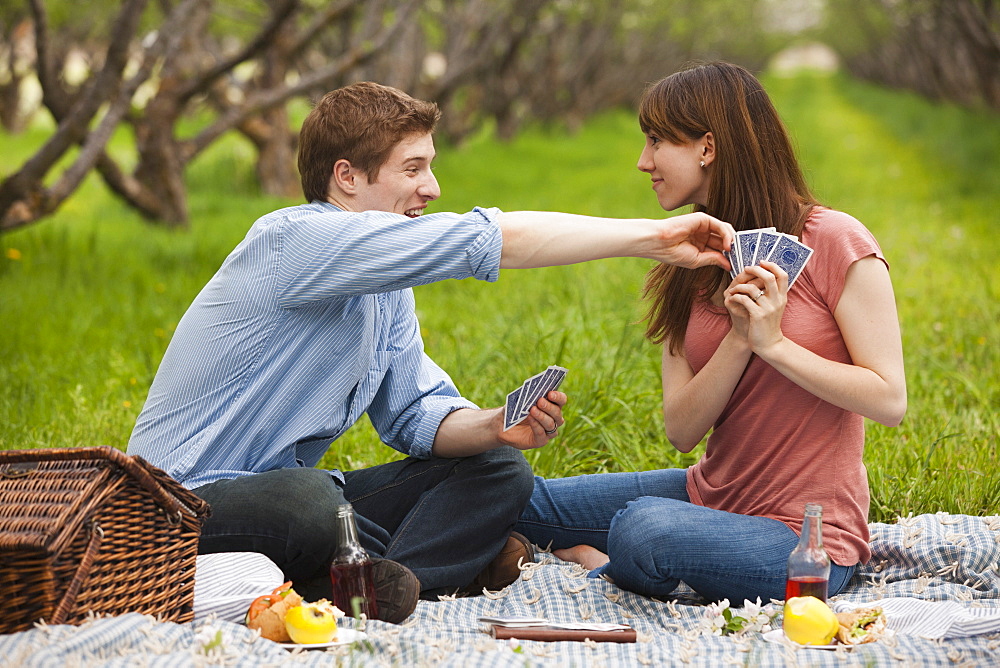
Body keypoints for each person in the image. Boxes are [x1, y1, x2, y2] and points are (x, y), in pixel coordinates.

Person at [126, 81, 736, 623]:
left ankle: (375, 585)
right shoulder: (293, 240)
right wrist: (654, 237)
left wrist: (498, 425)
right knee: (309, 499)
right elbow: (487, 240)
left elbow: (417, 416)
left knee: (498, 471)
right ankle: (415, 569)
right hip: (177, 506)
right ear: (347, 177)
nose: (432, 188)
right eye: (413, 169)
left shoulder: (387, 290)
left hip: (302, 504)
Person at [516, 62, 907, 604]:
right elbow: (682, 429)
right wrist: (740, 339)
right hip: (709, 497)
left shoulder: (836, 242)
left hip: (803, 542)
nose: (642, 162)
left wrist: (775, 343)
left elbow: (889, 399)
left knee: (645, 528)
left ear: (707, 147)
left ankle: (602, 559)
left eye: (656, 141)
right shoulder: (689, 259)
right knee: (517, 497)